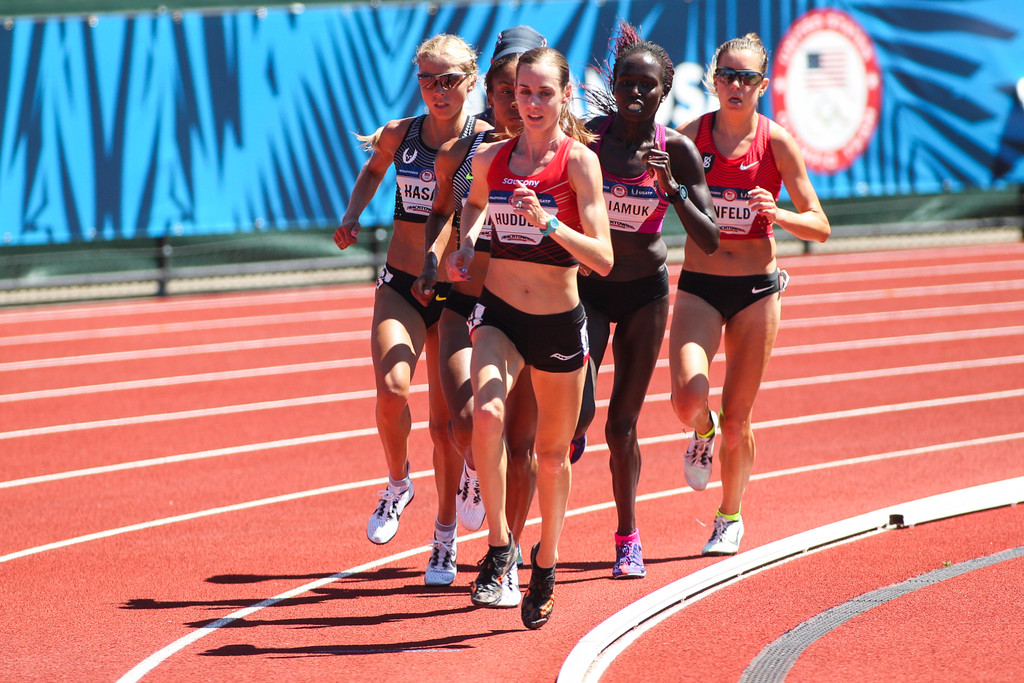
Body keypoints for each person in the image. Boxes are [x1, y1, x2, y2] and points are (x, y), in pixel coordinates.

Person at [446, 46, 613, 629]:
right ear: (510, 96)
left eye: (544, 92)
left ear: (565, 96)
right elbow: (470, 207)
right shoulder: (491, 157)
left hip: (559, 323)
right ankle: (499, 548)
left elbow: (604, 259)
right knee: (485, 418)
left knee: (550, 455)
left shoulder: (578, 163)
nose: (533, 103)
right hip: (499, 314)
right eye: (523, 92)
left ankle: (547, 561)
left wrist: (549, 223)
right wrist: (467, 243)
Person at [333, 34, 489, 586]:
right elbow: (374, 170)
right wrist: (353, 214)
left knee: (450, 426)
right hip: (401, 282)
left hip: (457, 294)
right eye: (428, 79)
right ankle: (398, 483)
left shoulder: (487, 144)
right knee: (391, 388)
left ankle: (445, 533)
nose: (438, 90)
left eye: (449, 79)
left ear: (472, 80)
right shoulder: (403, 134)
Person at [671, 33, 830, 556]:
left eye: (747, 78)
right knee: (687, 399)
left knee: (740, 421)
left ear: (762, 85)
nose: (736, 85)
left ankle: (729, 515)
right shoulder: (690, 138)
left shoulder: (776, 143)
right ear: (713, 80)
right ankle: (702, 428)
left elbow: (819, 225)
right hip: (700, 284)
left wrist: (778, 214)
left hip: (758, 290)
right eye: (727, 75)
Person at [576, 22, 719, 579]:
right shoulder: (588, 138)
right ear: (615, 83)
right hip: (588, 286)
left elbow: (708, 238)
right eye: (627, 83)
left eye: (649, 86)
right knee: (577, 414)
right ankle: (568, 437)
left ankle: (628, 537)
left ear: (666, 91)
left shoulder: (675, 150)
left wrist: (674, 191)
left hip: (644, 295)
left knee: (621, 426)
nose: (637, 93)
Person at [412, 25, 547, 605]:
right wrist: (440, 254)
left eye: (526, 88)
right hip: (465, 300)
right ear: (490, 93)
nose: (515, 102)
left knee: (526, 445)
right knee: (466, 425)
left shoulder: (564, 152)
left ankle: (509, 552)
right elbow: (442, 212)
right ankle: (473, 479)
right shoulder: (467, 153)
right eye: (503, 90)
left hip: (533, 307)